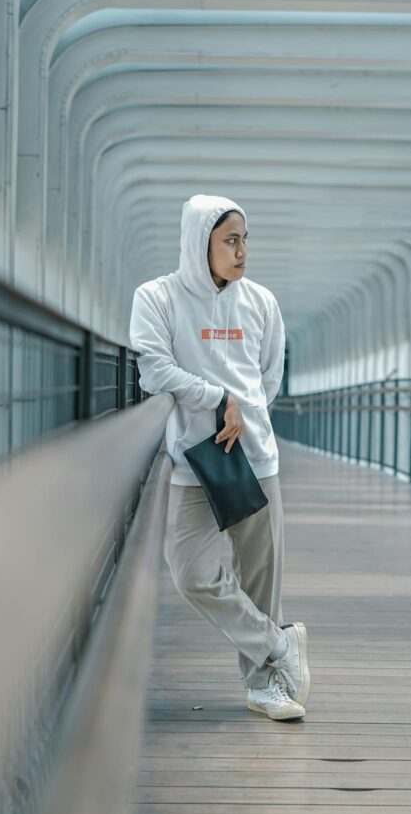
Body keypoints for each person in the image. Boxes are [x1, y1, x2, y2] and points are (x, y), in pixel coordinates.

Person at [129, 193, 310, 721]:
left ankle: (263, 687)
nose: (242, 251)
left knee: (260, 577)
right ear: (198, 243)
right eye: (230, 240)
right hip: (193, 461)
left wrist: (244, 412)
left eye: (245, 239)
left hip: (254, 458)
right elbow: (153, 371)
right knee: (192, 573)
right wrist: (218, 398)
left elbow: (268, 378)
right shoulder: (157, 297)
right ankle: (278, 645)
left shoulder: (261, 302)